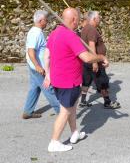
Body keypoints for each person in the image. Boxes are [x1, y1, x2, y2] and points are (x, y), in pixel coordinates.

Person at [43, 8, 109, 152]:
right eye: (78, 19)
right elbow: (86, 57)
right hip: (68, 81)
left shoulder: (54, 33)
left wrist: (48, 75)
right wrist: (101, 57)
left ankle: (74, 133)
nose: (79, 22)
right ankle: (54, 142)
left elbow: (46, 55)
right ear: (73, 20)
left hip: (58, 79)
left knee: (72, 107)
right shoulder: (70, 35)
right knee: (65, 111)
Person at [22, 10, 60, 119]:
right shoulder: (36, 33)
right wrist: (38, 66)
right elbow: (30, 51)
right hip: (38, 68)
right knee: (50, 90)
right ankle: (62, 113)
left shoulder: (35, 31)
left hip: (33, 66)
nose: (47, 22)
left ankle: (28, 111)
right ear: (40, 20)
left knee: (35, 88)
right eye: (45, 20)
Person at [79, 11, 121, 109]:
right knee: (102, 81)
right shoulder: (92, 30)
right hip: (94, 60)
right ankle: (107, 102)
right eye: (98, 18)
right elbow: (91, 45)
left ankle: (83, 101)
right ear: (93, 19)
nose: (100, 19)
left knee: (86, 81)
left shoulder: (85, 28)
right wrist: (95, 62)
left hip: (87, 60)